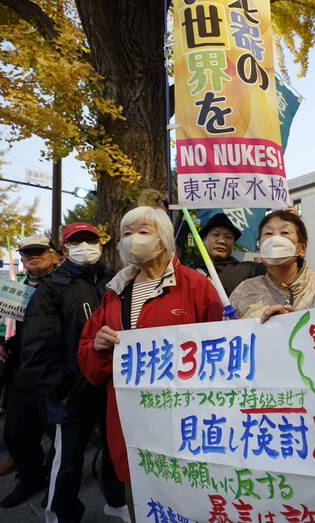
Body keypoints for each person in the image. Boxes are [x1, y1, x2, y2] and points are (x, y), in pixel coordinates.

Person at [78, 206, 223, 522]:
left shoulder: (196, 286)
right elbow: (90, 365)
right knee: (142, 501)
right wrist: (99, 348)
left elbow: (223, 352)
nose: (133, 240)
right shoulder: (114, 293)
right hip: (131, 422)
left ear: (165, 238)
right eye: (126, 234)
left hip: (186, 420)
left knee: (191, 499)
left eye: (143, 232)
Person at [20, 223, 127, 523]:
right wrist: (61, 391)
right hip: (71, 390)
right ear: (65, 250)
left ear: (100, 245)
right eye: (76, 241)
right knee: (67, 459)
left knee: (114, 449)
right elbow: (36, 348)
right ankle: (60, 513)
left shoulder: (116, 281)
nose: (85, 246)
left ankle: (116, 500)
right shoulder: (52, 287)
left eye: (90, 240)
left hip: (111, 385)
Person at [0, 235, 58, 507]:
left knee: (57, 434)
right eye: (27, 253)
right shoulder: (10, 288)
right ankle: (30, 478)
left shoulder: (65, 285)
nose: (32, 257)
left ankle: (56, 483)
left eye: (38, 251)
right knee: (16, 432)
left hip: (53, 374)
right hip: (19, 374)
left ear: (54, 255)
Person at [229, 209, 315, 320]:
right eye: (268, 233)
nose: (275, 239)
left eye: (285, 232)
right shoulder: (243, 290)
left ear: (302, 248)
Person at [189, 212, 265, 296]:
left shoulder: (250, 270)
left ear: (233, 244)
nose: (221, 241)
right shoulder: (189, 273)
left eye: (228, 237)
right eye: (216, 235)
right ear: (204, 240)